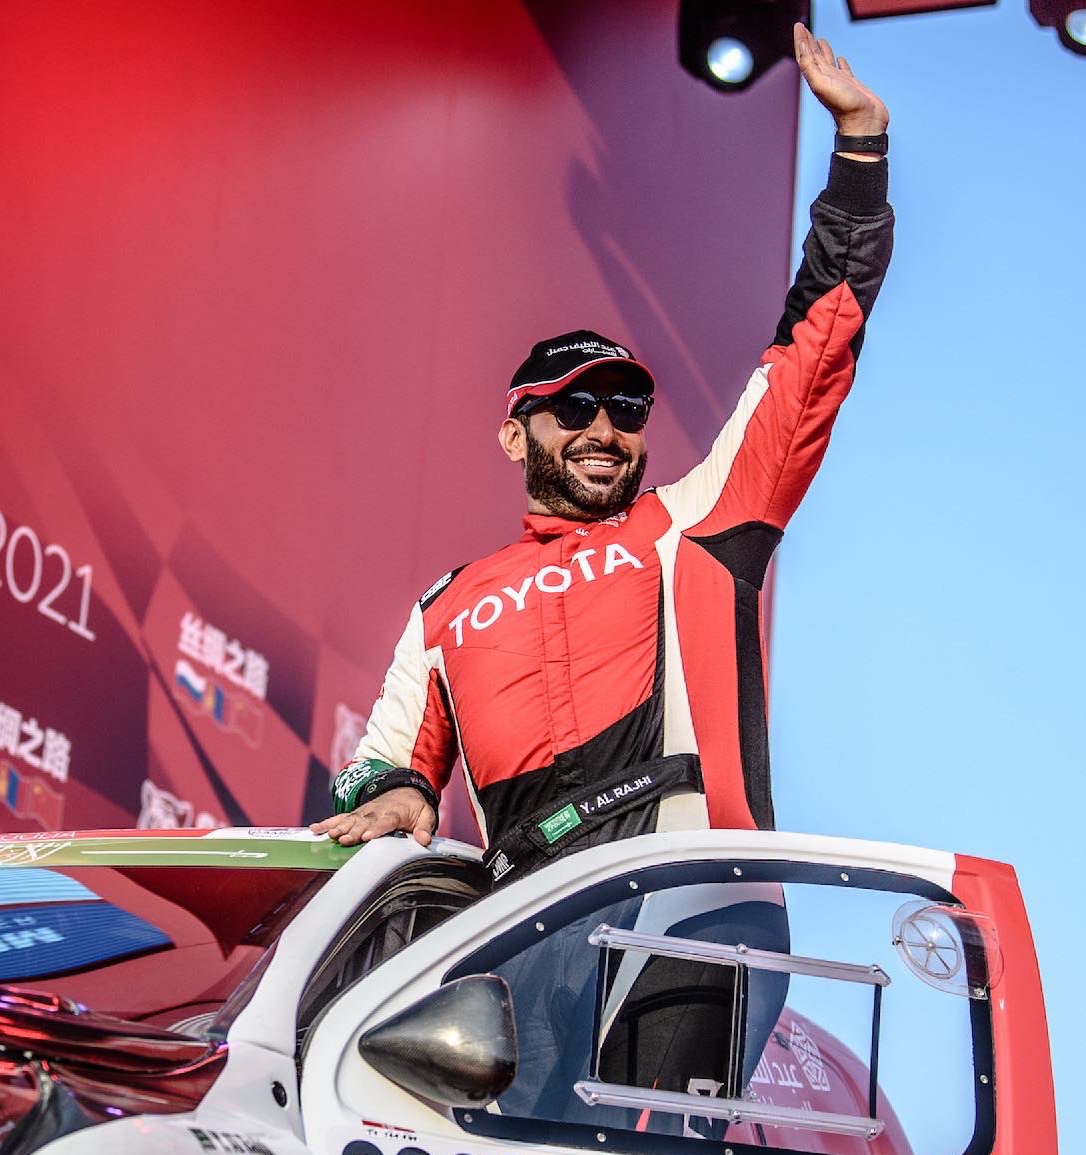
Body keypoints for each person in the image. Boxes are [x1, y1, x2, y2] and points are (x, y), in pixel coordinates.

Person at [312, 25, 893, 885]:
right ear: (515, 434)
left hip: (696, 906)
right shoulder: (445, 606)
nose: (604, 429)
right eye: (574, 407)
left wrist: (859, 149)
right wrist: (397, 793)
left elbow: (815, 343)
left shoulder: (693, 521)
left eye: (625, 409)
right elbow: (377, 763)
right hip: (521, 926)